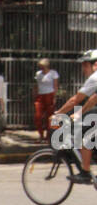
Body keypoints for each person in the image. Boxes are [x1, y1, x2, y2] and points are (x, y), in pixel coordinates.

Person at [51, 49, 97, 184]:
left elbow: (75, 100)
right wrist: (79, 113)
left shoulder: (94, 78)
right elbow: (93, 99)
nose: (83, 68)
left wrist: (58, 113)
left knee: (84, 136)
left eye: (85, 65)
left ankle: (85, 173)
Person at [33, 57, 59, 143]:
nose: (41, 68)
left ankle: (49, 136)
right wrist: (35, 95)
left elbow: (55, 86)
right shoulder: (38, 74)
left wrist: (54, 97)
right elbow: (36, 85)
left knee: (50, 116)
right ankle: (41, 135)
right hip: (40, 96)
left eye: (42, 66)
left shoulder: (53, 73)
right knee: (38, 116)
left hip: (49, 95)